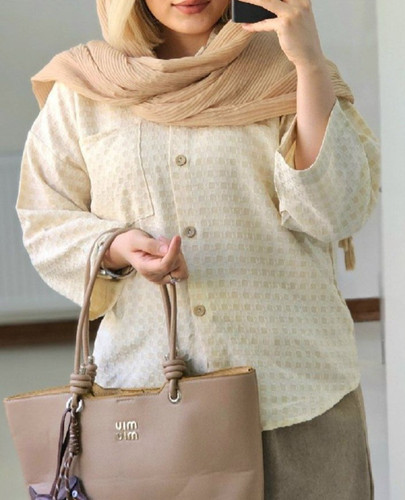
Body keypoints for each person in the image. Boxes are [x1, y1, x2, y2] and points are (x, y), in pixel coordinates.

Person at [17, 0, 379, 498]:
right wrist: (117, 248)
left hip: (296, 395)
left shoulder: (286, 70)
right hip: (146, 404)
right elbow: (45, 221)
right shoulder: (86, 88)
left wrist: (310, 65)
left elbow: (336, 212)